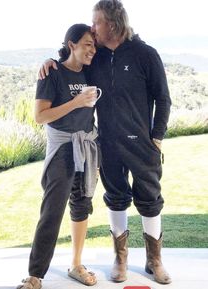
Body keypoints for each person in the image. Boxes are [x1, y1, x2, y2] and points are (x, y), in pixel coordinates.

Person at [39, 0, 172, 285]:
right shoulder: (95, 56)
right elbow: (70, 60)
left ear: (112, 23)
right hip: (107, 143)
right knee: (116, 199)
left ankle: (154, 261)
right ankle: (120, 259)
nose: (92, 27)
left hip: (143, 144)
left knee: (150, 201)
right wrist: (51, 60)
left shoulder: (145, 54)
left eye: (96, 22)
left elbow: (163, 98)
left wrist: (157, 137)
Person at [17, 24, 100, 289]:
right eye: (88, 43)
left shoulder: (91, 71)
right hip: (63, 149)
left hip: (87, 147)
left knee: (82, 205)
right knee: (52, 211)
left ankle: (76, 264)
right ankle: (35, 275)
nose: (92, 49)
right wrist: (77, 102)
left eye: (94, 45)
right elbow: (41, 117)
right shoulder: (51, 73)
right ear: (71, 44)